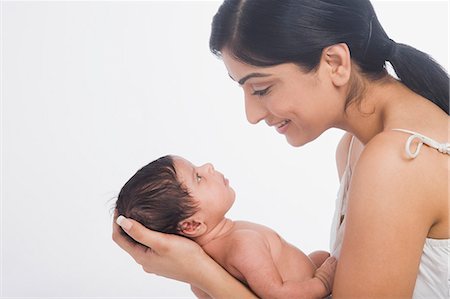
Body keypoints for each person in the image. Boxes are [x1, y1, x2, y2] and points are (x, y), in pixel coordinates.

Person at [113, 0, 450, 298]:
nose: (251, 115)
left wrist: (202, 273)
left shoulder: (397, 161)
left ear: (335, 62)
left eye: (260, 88)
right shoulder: (355, 146)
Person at [115, 154, 336, 299]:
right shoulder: (241, 244)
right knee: (329, 260)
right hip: (306, 292)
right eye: (198, 177)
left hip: (300, 281)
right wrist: (322, 283)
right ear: (192, 224)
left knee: (318, 256)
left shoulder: (201, 271)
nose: (208, 166)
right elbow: (277, 294)